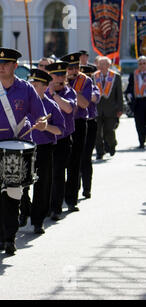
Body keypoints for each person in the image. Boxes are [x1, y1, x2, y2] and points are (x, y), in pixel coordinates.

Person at [0, 47, 47, 255]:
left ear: (15, 66)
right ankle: (1, 234)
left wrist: (41, 123)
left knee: (13, 193)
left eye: (6, 64)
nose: (1, 67)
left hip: (19, 149)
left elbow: (39, 117)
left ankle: (10, 237)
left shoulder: (26, 89)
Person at [19, 69, 65, 234]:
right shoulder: (22, 102)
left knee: (42, 185)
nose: (32, 87)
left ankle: (38, 220)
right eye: (30, 83)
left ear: (45, 87)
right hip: (24, 147)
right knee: (20, 183)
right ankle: (24, 211)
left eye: (36, 84)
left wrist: (46, 127)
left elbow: (60, 130)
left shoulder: (51, 105)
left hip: (44, 148)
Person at [44, 61, 77, 221]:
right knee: (44, 175)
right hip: (45, 139)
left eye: (62, 75)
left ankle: (56, 208)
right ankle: (44, 207)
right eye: (56, 75)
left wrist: (54, 95)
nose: (60, 78)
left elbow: (68, 109)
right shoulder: (41, 92)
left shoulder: (69, 92)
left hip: (63, 139)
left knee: (57, 174)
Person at [60, 52, 93, 212]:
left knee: (75, 162)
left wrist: (72, 90)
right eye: (71, 68)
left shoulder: (85, 80)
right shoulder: (59, 80)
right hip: (63, 124)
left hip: (79, 122)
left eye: (76, 67)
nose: (74, 71)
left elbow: (85, 103)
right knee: (59, 163)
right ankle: (57, 199)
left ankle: (72, 198)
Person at [93, 56, 123, 159]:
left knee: (109, 131)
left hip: (111, 110)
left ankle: (112, 144)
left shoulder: (115, 76)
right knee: (97, 132)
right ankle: (99, 151)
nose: (101, 66)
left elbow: (119, 94)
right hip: (97, 109)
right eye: (100, 64)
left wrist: (120, 109)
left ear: (109, 65)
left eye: (104, 64)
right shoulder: (94, 77)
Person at [80, 64, 101, 199]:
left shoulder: (93, 87)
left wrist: (84, 92)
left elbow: (94, 98)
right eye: (84, 75)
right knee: (75, 158)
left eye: (88, 75)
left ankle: (87, 188)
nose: (86, 77)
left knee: (86, 158)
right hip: (79, 123)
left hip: (90, 123)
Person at [125, 55, 146, 149]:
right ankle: (141, 142)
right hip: (138, 102)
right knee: (139, 123)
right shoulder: (134, 74)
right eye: (140, 64)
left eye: (144, 63)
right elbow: (129, 88)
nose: (142, 65)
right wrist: (128, 94)